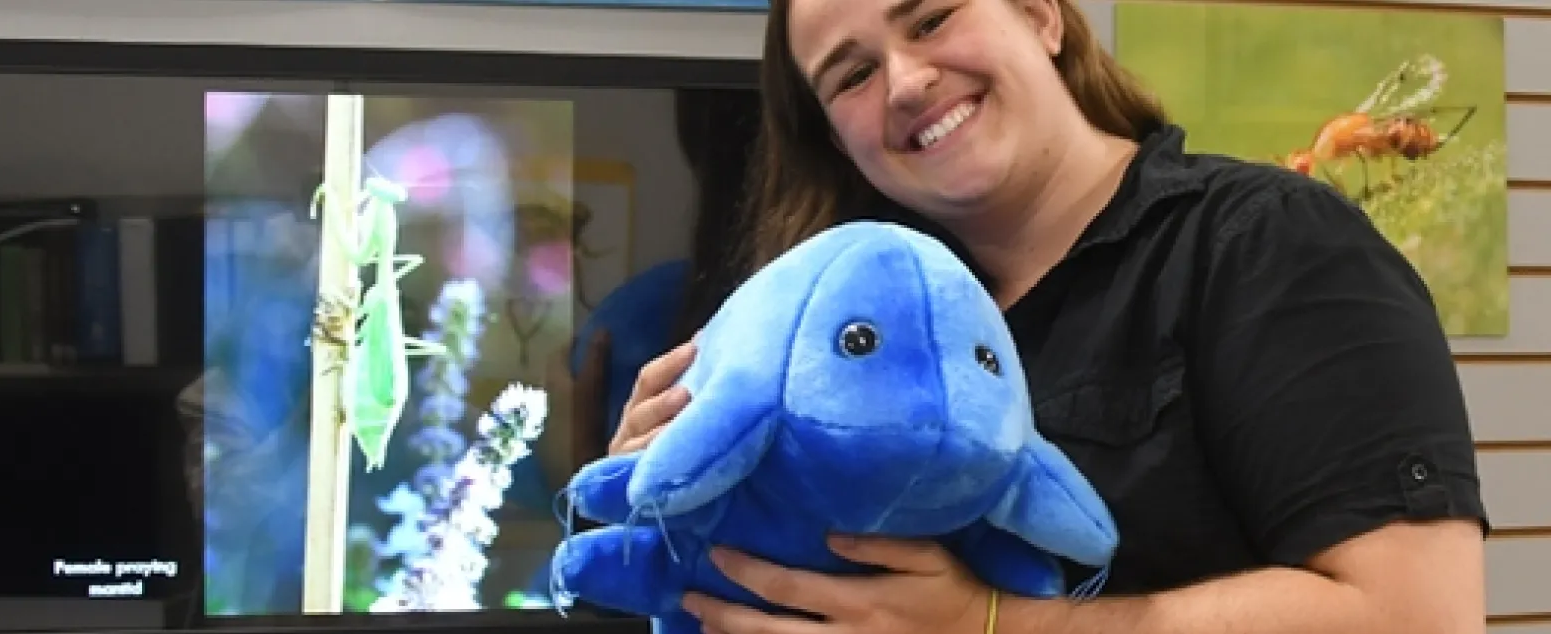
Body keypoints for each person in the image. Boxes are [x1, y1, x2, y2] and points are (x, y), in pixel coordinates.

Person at [584, 0, 1492, 633]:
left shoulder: (1263, 244)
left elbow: (1416, 618)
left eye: (932, 16)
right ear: (836, 138)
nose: (904, 82)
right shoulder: (826, 331)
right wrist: (665, 493)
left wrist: (994, 625)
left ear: (1040, 14)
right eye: (852, 74)